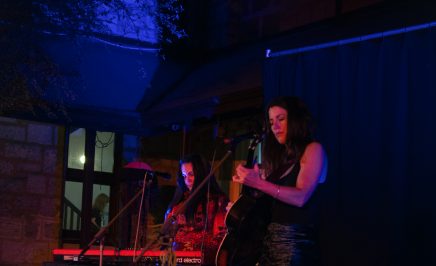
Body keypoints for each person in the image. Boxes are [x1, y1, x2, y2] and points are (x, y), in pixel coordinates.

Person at [231, 96, 328, 265]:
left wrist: (258, 183)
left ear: (296, 120)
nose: (274, 127)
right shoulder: (282, 159)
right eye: (271, 122)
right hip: (270, 245)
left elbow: (301, 197)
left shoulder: (313, 149)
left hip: (296, 247)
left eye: (281, 119)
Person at [165, 154, 229, 266]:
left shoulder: (217, 201)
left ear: (202, 175)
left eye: (191, 175)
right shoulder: (180, 203)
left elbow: (222, 239)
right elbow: (166, 235)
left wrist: (191, 238)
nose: (187, 180)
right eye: (184, 176)